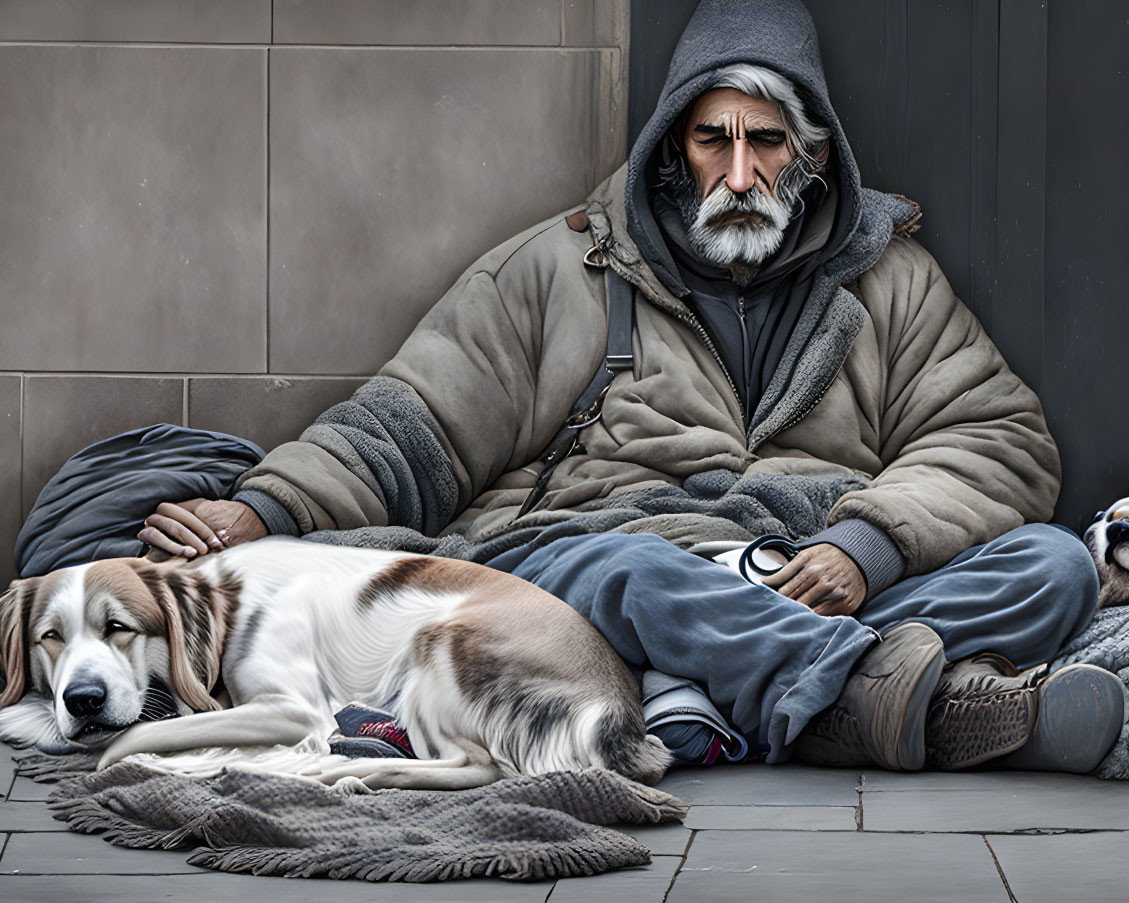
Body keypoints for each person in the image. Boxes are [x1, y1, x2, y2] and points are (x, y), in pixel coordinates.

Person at [136, 0, 1123, 772]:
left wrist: (863, 548)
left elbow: (998, 438)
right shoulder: (554, 271)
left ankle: (751, 701)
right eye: (713, 140)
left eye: (767, 141)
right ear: (671, 152)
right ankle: (894, 703)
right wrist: (262, 510)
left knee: (1052, 565)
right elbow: (408, 428)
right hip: (605, 575)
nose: (740, 172)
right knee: (625, 573)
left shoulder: (890, 282)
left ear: (813, 156)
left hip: (818, 581)